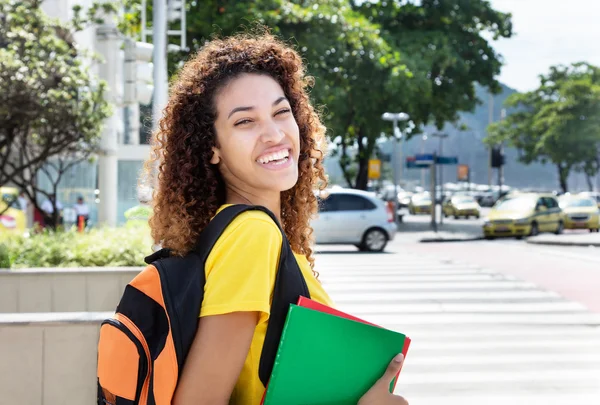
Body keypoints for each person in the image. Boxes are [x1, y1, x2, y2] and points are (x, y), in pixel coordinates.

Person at [143, 31, 408, 405]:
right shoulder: (251, 235)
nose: (273, 134)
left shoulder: (242, 230)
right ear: (213, 149)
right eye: (244, 122)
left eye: (281, 112)